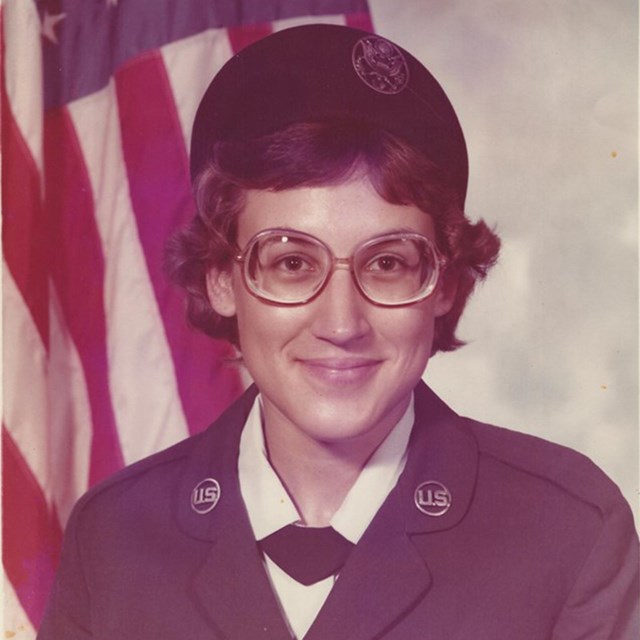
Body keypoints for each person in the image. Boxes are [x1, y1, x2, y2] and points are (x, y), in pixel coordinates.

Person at [38, 24, 638, 640]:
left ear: (446, 286)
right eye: (292, 262)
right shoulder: (113, 539)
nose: (341, 323)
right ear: (221, 278)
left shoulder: (566, 533)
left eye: (388, 263)